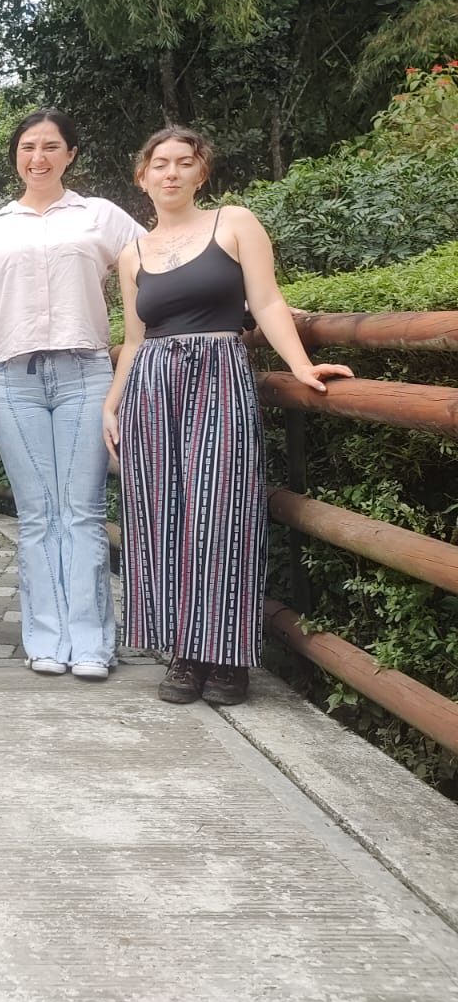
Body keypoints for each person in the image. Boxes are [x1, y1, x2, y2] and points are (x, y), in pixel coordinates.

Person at [104, 127, 350, 706]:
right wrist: (111, 405)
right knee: (160, 516)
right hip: (152, 387)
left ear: (201, 173)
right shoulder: (132, 254)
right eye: (159, 164)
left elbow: (266, 302)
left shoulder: (234, 224)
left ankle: (228, 657)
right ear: (142, 177)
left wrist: (302, 367)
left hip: (220, 374)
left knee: (225, 510)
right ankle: (183, 654)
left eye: (183, 163)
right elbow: (135, 340)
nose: (170, 173)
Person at [0, 109, 145, 681]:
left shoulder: (100, 217)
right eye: (28, 146)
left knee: (84, 512)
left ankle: (91, 642)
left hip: (86, 373)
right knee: (38, 515)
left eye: (51, 146)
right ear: (15, 155)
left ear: (71, 155)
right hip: (11, 380)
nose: (37, 156)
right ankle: (45, 637)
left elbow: (164, 260)